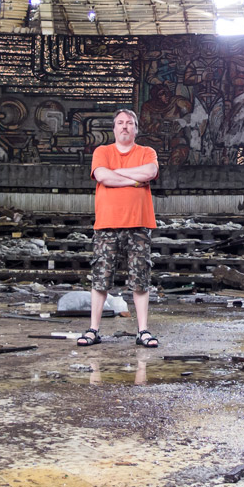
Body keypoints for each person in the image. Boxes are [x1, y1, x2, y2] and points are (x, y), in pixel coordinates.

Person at [78, 108, 160, 348]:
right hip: (107, 225)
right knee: (100, 279)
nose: (125, 126)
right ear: (114, 128)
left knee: (140, 279)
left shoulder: (147, 152)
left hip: (139, 225)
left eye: (129, 123)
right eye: (120, 123)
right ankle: (93, 330)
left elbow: (151, 172)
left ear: (135, 128)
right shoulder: (102, 151)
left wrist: (116, 175)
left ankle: (143, 331)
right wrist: (134, 180)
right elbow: (103, 176)